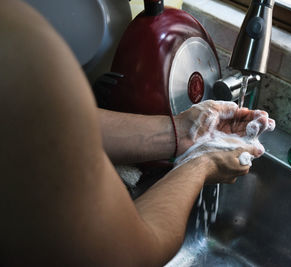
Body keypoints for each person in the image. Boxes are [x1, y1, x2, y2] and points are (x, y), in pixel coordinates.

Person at [0, 0, 274, 265]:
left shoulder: (14, 30)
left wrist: (182, 132)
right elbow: (124, 256)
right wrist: (203, 162)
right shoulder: (24, 45)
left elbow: (56, 125)